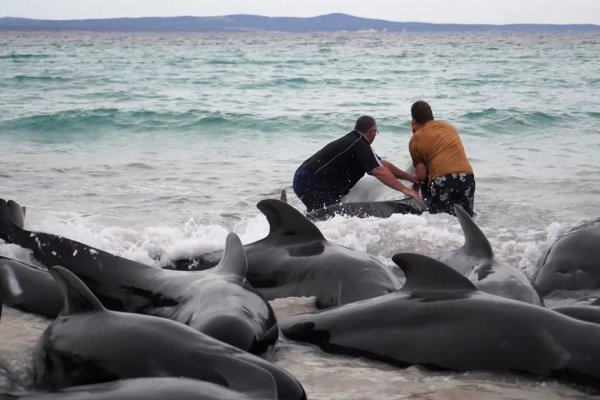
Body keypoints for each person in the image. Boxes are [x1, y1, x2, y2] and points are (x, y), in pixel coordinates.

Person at [293, 115, 420, 212]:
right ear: (372, 132)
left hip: (305, 178)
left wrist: (409, 178)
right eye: (376, 132)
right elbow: (378, 171)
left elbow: (382, 165)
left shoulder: (356, 142)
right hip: (311, 181)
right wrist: (405, 190)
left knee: (324, 214)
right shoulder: (359, 144)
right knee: (327, 216)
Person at [408, 100, 475, 216]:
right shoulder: (449, 127)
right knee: (465, 220)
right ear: (431, 116)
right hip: (467, 177)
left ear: (413, 120)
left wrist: (413, 191)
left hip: (443, 180)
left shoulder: (416, 139)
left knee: (440, 219)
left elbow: (422, 175)